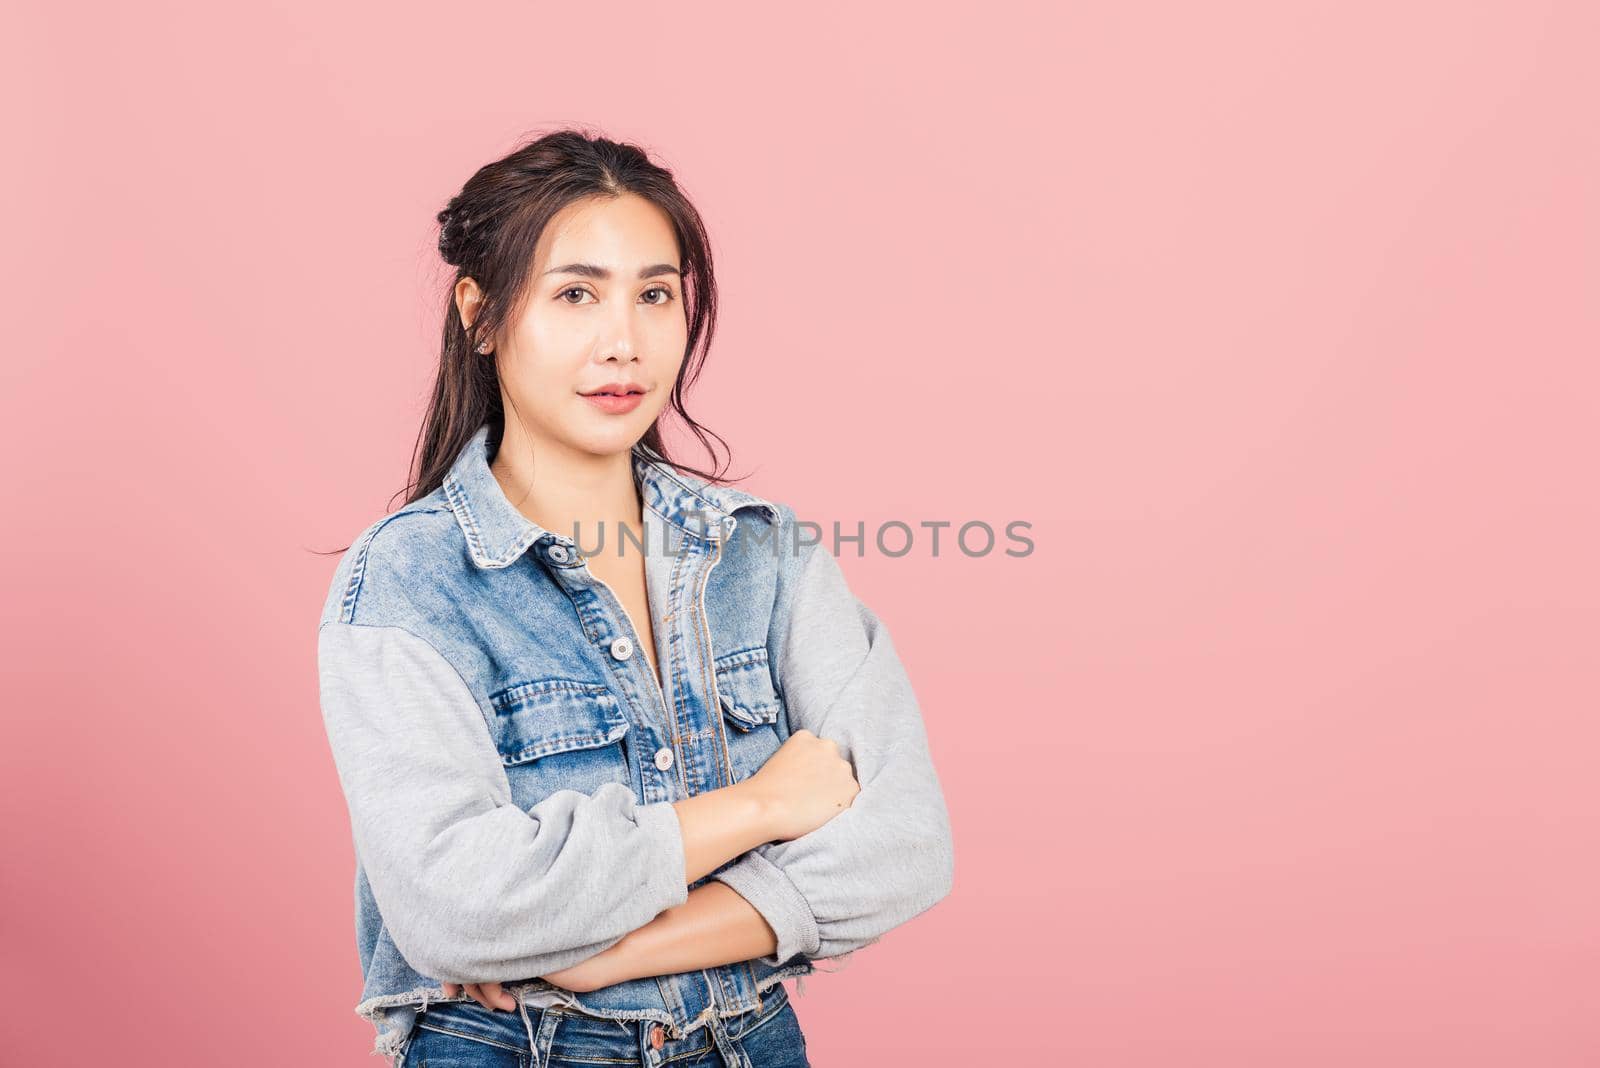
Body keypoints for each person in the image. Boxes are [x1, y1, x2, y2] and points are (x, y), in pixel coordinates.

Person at [315, 129, 955, 1067]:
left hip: (752, 1042)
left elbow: (905, 844)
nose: (624, 342)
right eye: (576, 294)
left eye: (654, 295)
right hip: (509, 1046)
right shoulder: (411, 581)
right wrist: (760, 807)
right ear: (481, 315)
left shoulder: (759, 552)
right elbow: (456, 906)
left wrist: (606, 953)